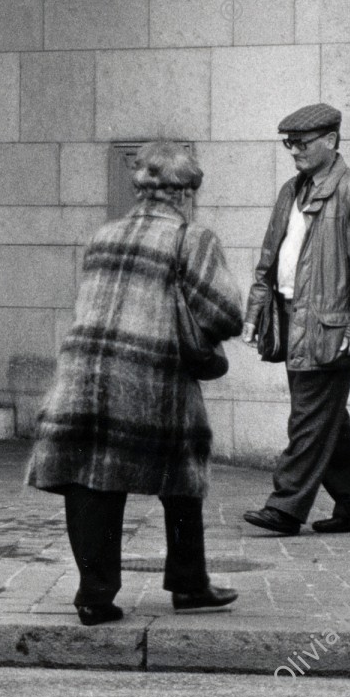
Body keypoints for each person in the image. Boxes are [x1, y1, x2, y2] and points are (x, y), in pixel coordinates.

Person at [25, 140, 245, 624]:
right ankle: (189, 584)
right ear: (186, 191)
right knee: (183, 473)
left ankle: (94, 596)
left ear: (140, 186)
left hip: (84, 374)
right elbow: (226, 311)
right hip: (151, 375)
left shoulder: (103, 235)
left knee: (92, 476)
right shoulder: (192, 238)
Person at [241, 103, 350, 537]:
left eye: (302, 143)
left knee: (308, 417)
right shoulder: (292, 189)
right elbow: (271, 258)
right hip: (292, 318)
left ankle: (285, 507)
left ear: (331, 141)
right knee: (327, 419)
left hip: (330, 325)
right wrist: (255, 315)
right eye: (289, 144)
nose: (294, 151)